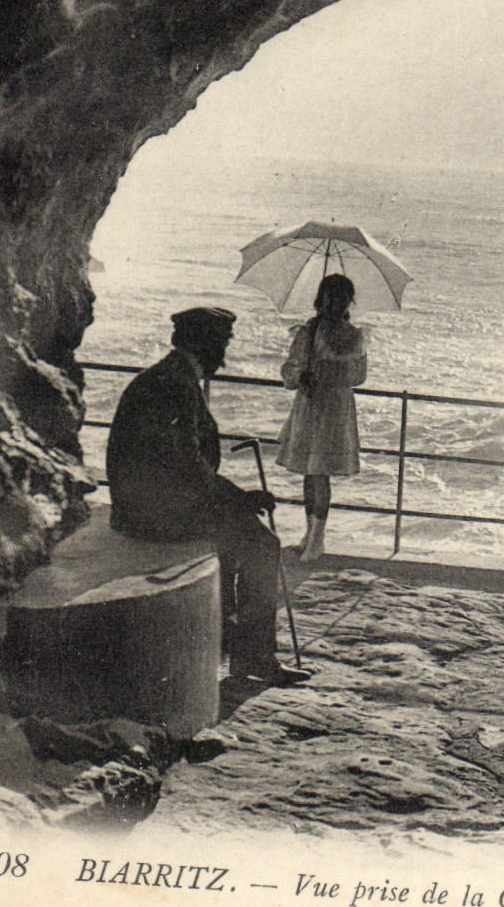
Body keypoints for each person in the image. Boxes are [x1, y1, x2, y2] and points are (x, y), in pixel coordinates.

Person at [106, 306, 310, 686]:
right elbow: (184, 463)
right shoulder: (177, 385)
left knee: (237, 534)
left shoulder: (170, 376)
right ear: (205, 343)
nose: (225, 354)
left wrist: (233, 501)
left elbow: (182, 466)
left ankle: (237, 648)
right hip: (151, 511)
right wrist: (240, 498)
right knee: (262, 544)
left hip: (145, 503)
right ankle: (254, 657)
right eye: (222, 344)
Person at [276, 273, 368, 561]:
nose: (335, 304)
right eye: (330, 297)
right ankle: (308, 532)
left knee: (320, 474)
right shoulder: (308, 332)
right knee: (309, 471)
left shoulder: (354, 336)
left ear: (348, 302)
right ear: (321, 300)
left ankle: (318, 537)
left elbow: (359, 376)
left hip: (335, 409)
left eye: (341, 298)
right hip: (311, 406)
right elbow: (289, 371)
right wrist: (300, 376)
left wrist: (332, 374)